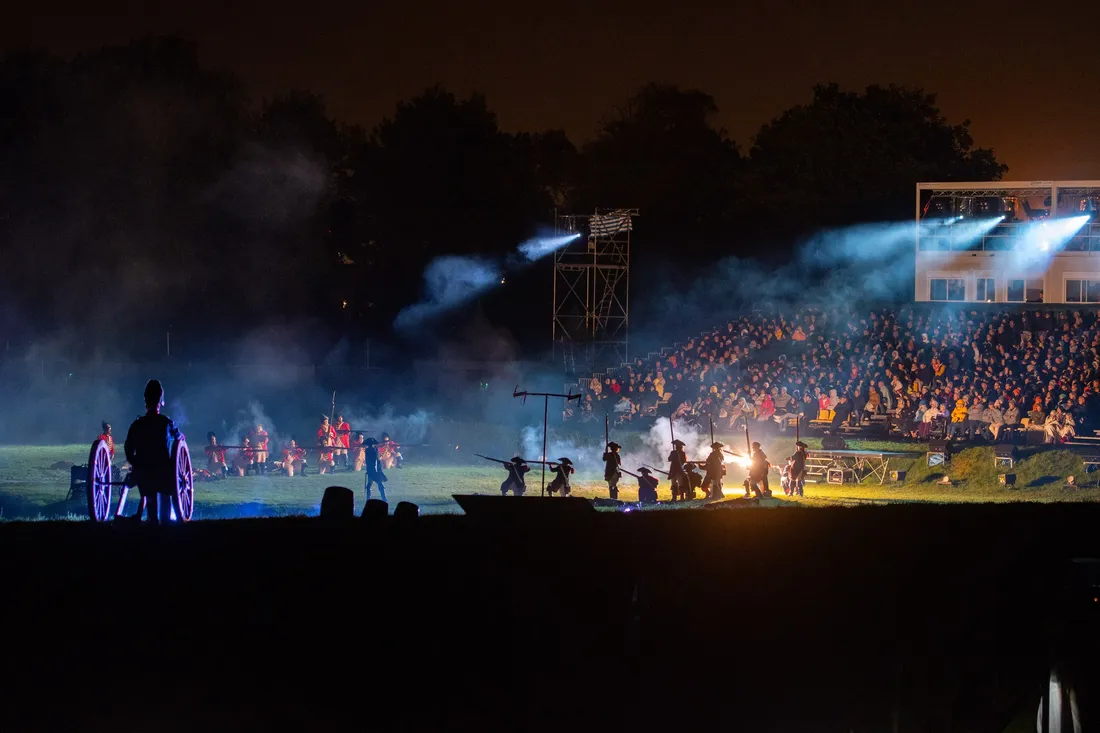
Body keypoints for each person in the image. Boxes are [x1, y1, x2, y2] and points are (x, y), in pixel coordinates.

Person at [123, 379, 183, 525]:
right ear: (160, 401)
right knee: (164, 492)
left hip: (143, 472)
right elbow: (179, 437)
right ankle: (163, 520)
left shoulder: (137, 424)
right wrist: (180, 436)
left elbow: (128, 447)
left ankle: (152, 519)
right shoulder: (166, 422)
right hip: (163, 471)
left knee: (149, 494)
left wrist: (135, 463)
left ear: (146, 400)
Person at [363, 437, 388, 501]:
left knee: (378, 484)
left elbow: (375, 460)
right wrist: (369, 469)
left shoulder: (373, 450)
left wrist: (374, 469)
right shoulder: (370, 450)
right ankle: (369, 498)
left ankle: (384, 498)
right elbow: (368, 461)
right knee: (371, 485)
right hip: (372, 469)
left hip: (375, 469)